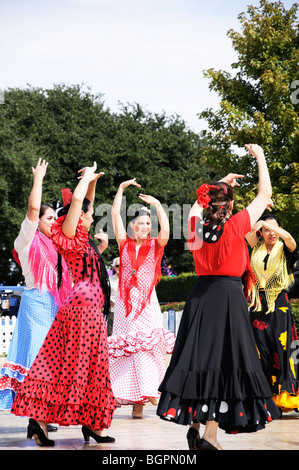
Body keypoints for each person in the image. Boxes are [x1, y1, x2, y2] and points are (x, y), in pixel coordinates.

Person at [156, 144, 281, 450]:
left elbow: (198, 205)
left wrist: (219, 183)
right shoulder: (237, 224)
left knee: (198, 359)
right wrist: (261, 156)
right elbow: (265, 195)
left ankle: (196, 427)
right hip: (227, 297)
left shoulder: (195, 226)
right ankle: (210, 436)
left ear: (208, 202)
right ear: (231, 204)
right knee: (225, 363)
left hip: (199, 297)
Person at [11, 162, 116, 447]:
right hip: (79, 313)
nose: (92, 218)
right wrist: (82, 186)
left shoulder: (86, 241)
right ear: (74, 217)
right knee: (68, 369)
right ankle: (41, 421)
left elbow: (87, 203)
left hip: (92, 314)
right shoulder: (68, 237)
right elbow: (80, 204)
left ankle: (94, 425)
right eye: (87, 216)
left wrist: (91, 180)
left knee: (93, 369)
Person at [0, 159, 71, 418]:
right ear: (37, 220)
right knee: (37, 359)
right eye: (49, 218)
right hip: (37, 305)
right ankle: (37, 415)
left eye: (55, 218)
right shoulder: (27, 240)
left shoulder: (56, 245)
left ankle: (44, 415)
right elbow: (32, 208)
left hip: (57, 306)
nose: (54, 222)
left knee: (55, 361)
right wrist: (38, 179)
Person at [108, 179, 176, 418]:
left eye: (149, 223)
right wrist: (120, 190)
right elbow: (114, 213)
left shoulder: (155, 246)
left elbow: (166, 232)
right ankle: (137, 401)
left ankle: (150, 391)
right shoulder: (124, 244)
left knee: (149, 349)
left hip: (147, 305)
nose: (146, 227)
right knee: (132, 351)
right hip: (126, 307)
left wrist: (158, 206)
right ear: (132, 226)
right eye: (141, 223)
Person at [246, 213, 299, 411]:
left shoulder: (284, 248)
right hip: (257, 302)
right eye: (266, 230)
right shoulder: (255, 248)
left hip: (279, 303)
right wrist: (258, 225)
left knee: (281, 346)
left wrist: (271, 226)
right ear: (261, 232)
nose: (271, 234)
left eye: (274, 229)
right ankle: (265, 396)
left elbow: (290, 239)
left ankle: (286, 396)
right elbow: (247, 235)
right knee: (261, 347)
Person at [107, 257, 120, 336]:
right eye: (117, 266)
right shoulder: (109, 280)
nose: (119, 267)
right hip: (113, 311)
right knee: (111, 336)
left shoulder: (128, 280)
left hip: (126, 313)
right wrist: (109, 300)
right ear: (114, 268)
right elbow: (105, 294)